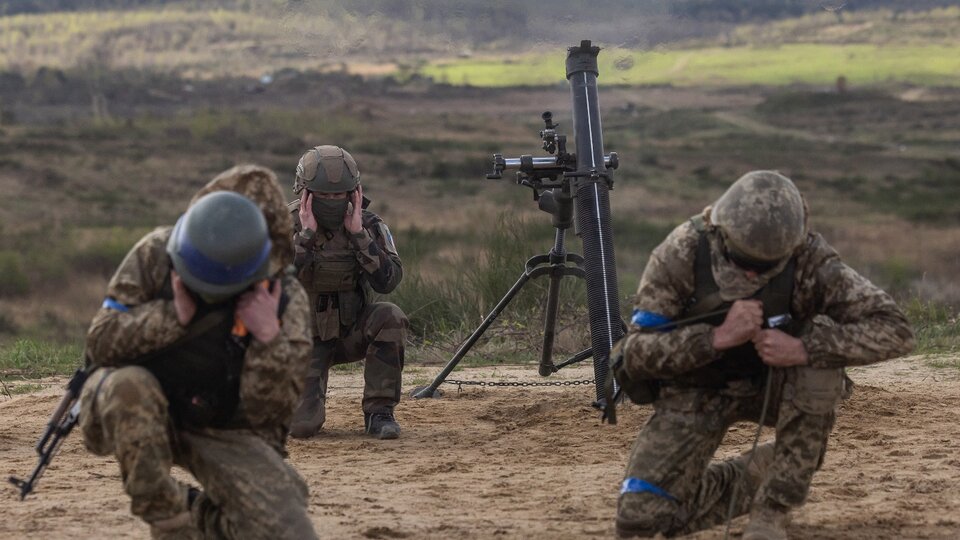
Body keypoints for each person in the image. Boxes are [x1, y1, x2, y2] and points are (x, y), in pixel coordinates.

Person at [611, 171, 915, 539]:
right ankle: (757, 472)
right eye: (743, 261)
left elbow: (896, 330)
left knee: (819, 370)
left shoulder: (811, 260)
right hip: (697, 389)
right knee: (641, 520)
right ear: (720, 232)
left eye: (764, 266)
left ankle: (774, 506)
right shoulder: (681, 253)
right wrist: (716, 338)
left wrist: (803, 348)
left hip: (777, 382)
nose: (752, 273)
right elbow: (635, 354)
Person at [79, 165, 317, 539]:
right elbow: (101, 340)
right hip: (136, 407)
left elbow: (268, 412)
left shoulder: (285, 299)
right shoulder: (156, 255)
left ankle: (197, 514)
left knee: (288, 525)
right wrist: (172, 316)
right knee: (129, 386)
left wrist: (268, 336)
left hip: (221, 422)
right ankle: (169, 520)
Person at [288, 145, 408, 440]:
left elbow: (388, 281)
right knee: (302, 427)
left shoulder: (368, 224)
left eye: (339, 195)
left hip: (349, 330)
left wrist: (359, 237)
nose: (332, 201)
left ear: (353, 192)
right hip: (301, 340)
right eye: (324, 195)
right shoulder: (281, 224)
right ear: (305, 193)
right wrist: (304, 239)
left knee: (390, 317)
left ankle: (379, 412)